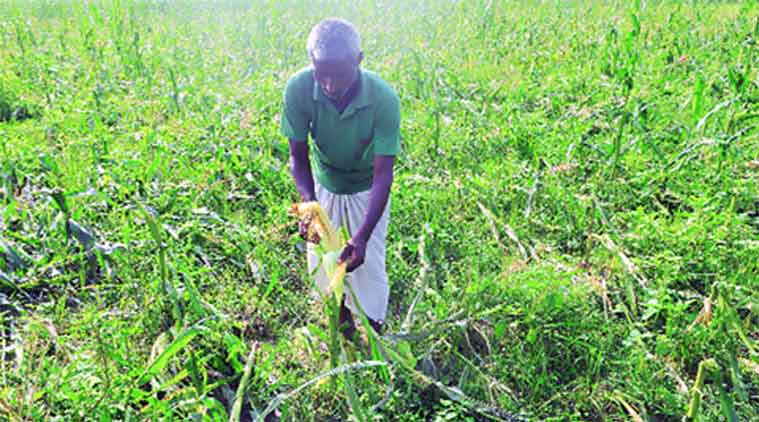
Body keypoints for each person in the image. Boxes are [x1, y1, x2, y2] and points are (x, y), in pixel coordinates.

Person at [281, 17, 401, 340]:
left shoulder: (383, 99)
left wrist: (361, 236)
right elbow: (297, 154)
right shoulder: (298, 90)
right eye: (323, 75)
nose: (331, 85)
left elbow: (383, 174)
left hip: (367, 190)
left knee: (369, 267)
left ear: (359, 61)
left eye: (340, 75)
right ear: (311, 63)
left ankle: (374, 340)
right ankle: (343, 331)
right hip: (325, 186)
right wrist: (309, 205)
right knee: (326, 265)